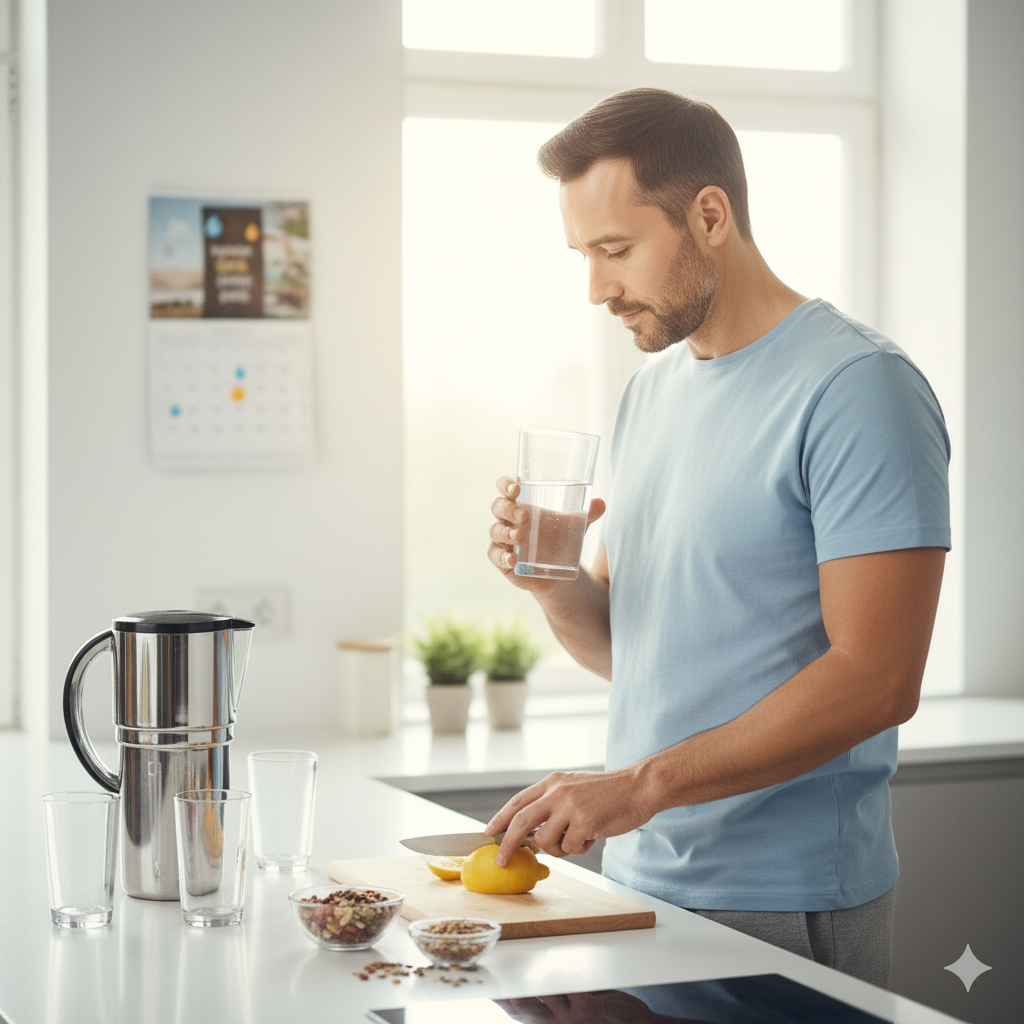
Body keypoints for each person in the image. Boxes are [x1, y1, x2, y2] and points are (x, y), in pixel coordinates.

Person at [485, 88, 950, 988]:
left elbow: (881, 679)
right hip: (639, 879)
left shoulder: (858, 388)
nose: (597, 289)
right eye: (583, 255)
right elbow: (636, 651)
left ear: (709, 215)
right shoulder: (650, 394)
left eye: (616, 250)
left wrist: (637, 787)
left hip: (787, 903)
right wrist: (555, 584)